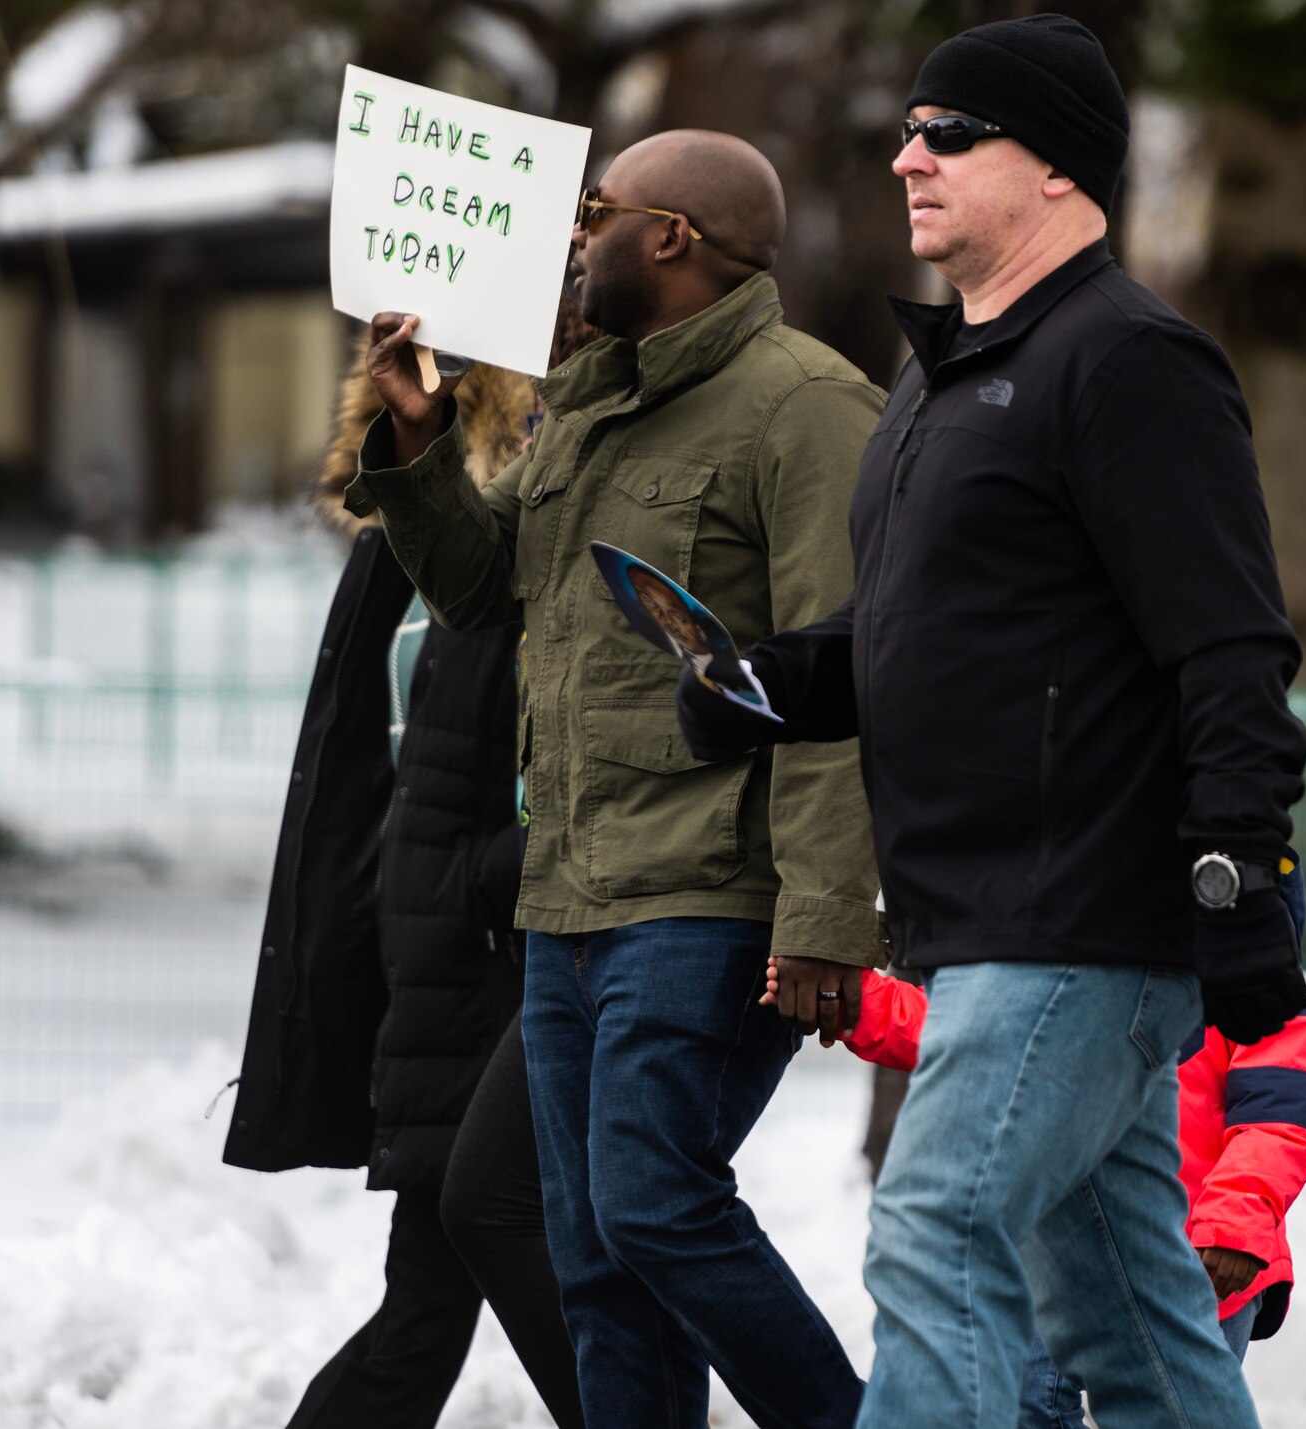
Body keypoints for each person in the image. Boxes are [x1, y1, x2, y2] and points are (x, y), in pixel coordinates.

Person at [676, 15, 1306, 1428]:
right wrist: (769, 683)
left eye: (952, 133)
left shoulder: (1133, 361)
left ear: (1060, 174)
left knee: (935, 1230)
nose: (909, 156)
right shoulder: (939, 381)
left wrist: (1235, 877)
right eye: (909, 129)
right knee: (1125, 1316)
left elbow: (1232, 652)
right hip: (980, 925)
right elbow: (927, 636)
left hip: (1078, 922)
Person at [345, 129, 883, 1429]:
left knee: (654, 1203)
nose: (573, 239)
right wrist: (416, 447)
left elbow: (850, 681)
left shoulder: (806, 404)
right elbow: (484, 595)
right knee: (590, 1252)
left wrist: (824, 915)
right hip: (571, 898)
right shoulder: (585, 404)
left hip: (708, 897)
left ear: (672, 238)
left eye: (596, 213)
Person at [223, 331, 585, 1429]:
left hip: (503, 947)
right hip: (452, 953)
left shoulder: (541, 532)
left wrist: (500, 873)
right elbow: (378, 771)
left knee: (459, 1283)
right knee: (465, 1280)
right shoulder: (419, 550)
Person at [771, 858, 1306, 1426]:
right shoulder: (1081, 981)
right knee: (1027, 1405)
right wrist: (868, 1004)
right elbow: (977, 1036)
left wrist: (1233, 1224)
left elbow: (1278, 1124)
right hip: (1056, 1241)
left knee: (1171, 1402)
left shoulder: (1262, 1003)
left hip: (1200, 1264)